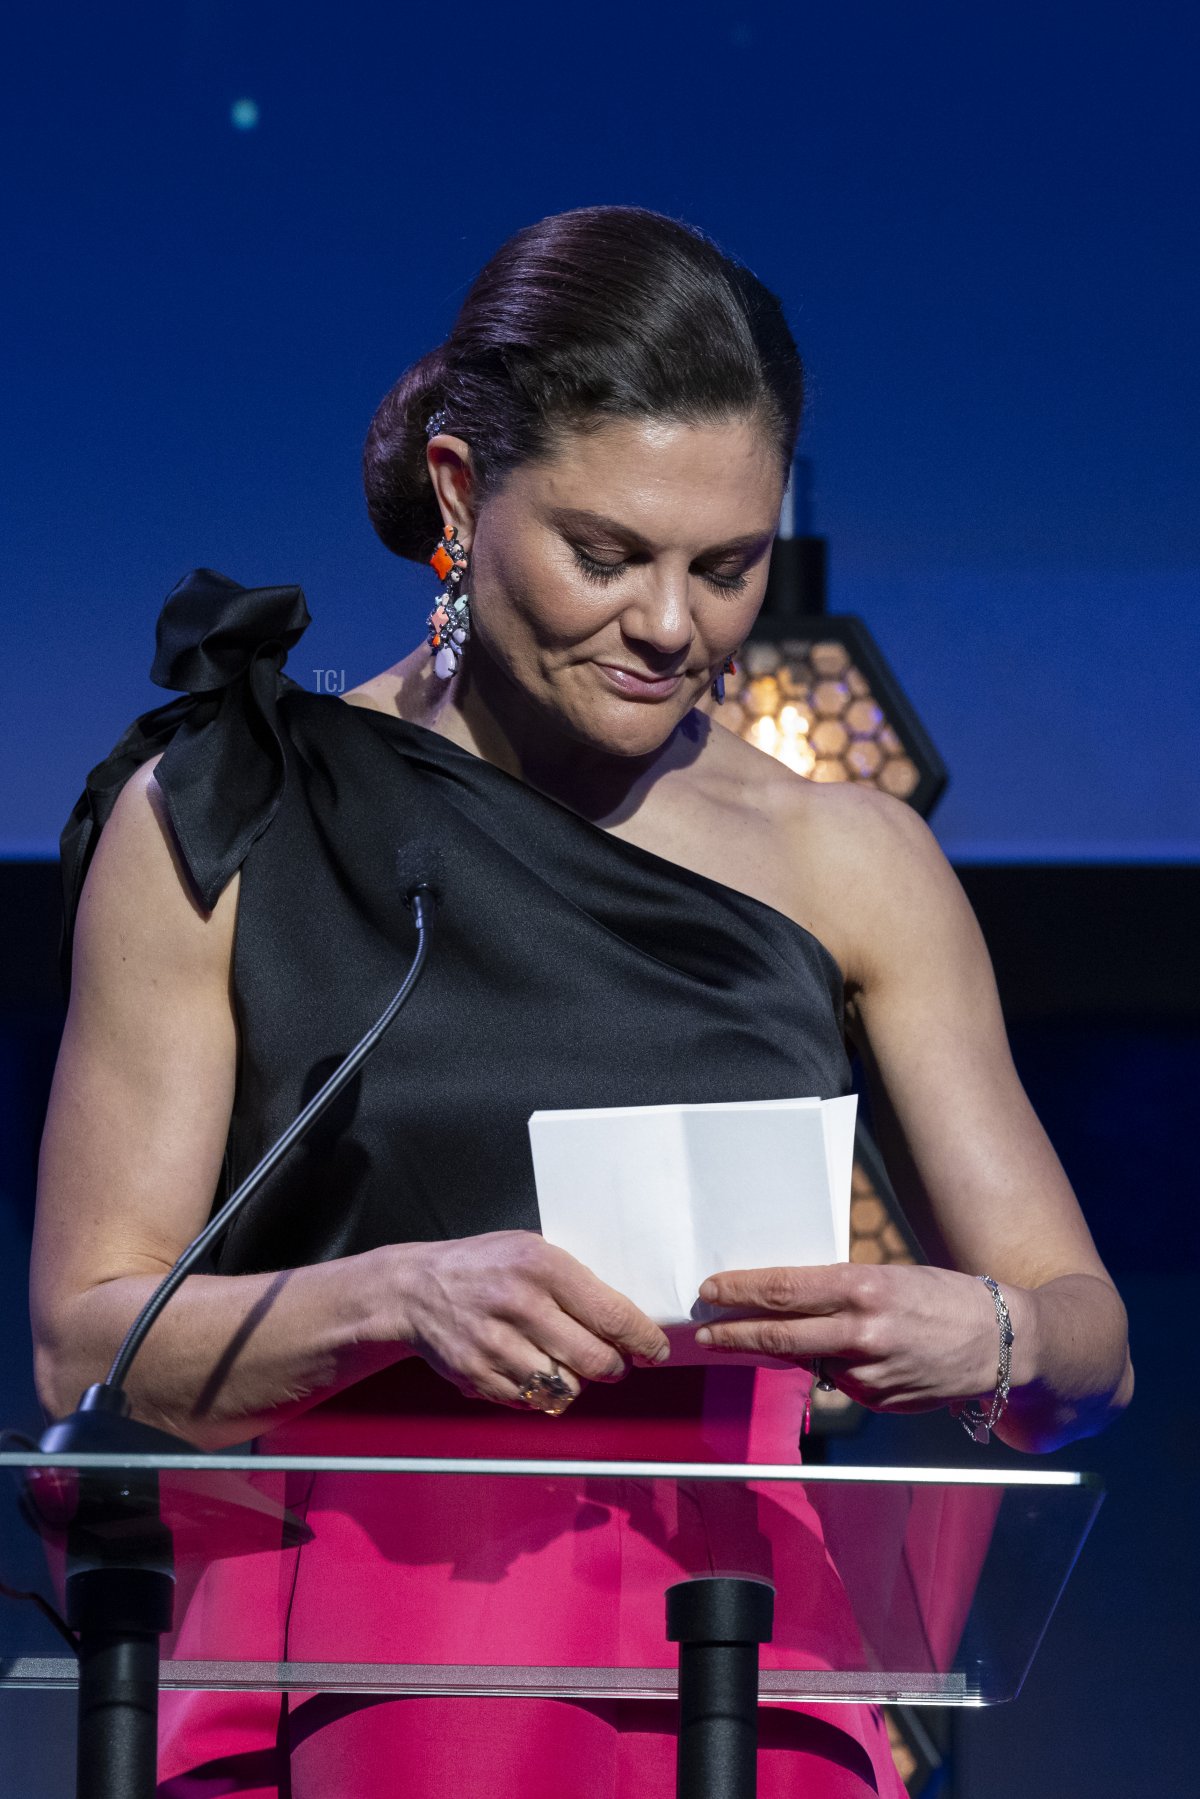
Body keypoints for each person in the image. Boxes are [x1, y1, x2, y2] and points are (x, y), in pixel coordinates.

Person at [31, 204, 1132, 1798]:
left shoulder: (853, 863)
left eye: (727, 567)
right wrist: (391, 1298)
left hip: (748, 1675)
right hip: (351, 1682)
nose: (675, 627)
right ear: (465, 498)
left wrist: (987, 1331)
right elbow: (83, 1350)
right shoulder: (235, 816)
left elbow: (1088, 1347)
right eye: (607, 557)